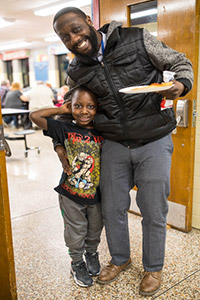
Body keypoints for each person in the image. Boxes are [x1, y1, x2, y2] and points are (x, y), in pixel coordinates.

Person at [52, 7, 194, 296]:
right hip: (113, 143)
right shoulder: (77, 70)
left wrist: (180, 85)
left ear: (89, 22)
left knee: (153, 210)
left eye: (76, 29)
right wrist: (60, 142)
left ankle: (153, 268)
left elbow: (181, 62)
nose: (74, 38)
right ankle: (120, 259)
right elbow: (71, 106)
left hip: (154, 138)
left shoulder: (136, 38)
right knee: (112, 208)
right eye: (65, 37)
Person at [30, 86, 104, 288]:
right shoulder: (65, 129)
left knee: (95, 229)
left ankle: (91, 255)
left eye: (90, 106)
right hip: (70, 193)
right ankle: (77, 262)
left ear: (97, 108)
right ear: (71, 106)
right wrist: (63, 110)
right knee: (75, 230)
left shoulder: (103, 131)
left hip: (96, 195)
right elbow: (35, 116)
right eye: (78, 106)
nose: (84, 111)